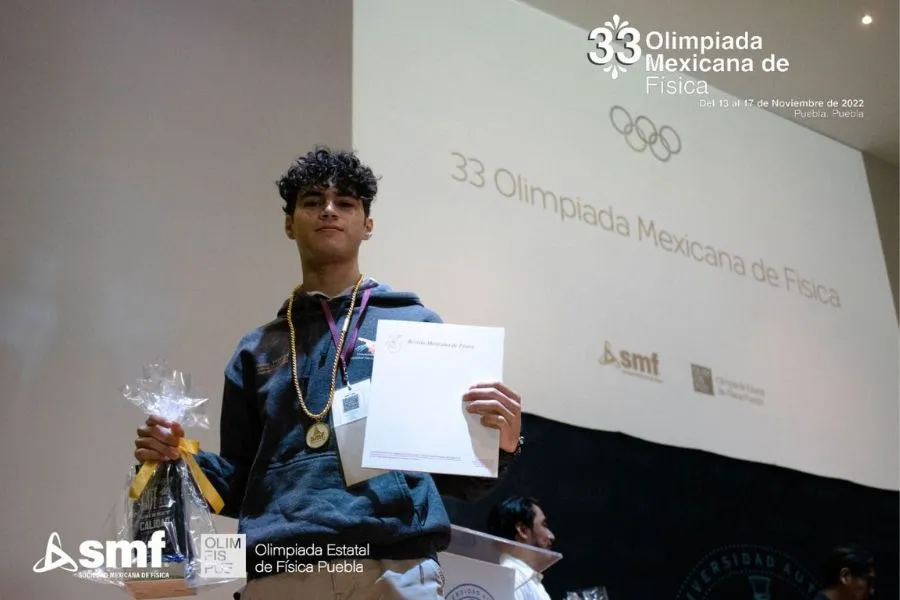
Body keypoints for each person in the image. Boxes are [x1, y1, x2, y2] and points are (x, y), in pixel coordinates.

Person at [133, 147, 524, 599]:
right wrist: (177, 457)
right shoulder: (256, 350)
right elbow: (243, 485)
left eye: (347, 202)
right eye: (313, 200)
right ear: (289, 222)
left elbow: (461, 479)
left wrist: (502, 443)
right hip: (283, 570)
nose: (329, 211)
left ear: (367, 225)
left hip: (394, 564)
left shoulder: (415, 326)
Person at [487, 496, 555, 600]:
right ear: (523, 530)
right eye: (543, 525)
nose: (551, 536)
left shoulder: (526, 579)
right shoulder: (512, 579)